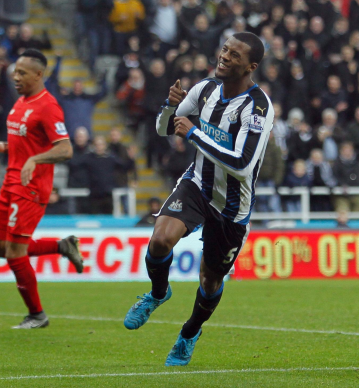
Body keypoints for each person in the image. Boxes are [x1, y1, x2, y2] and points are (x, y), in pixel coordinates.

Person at [123, 33, 271, 366]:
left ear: (251, 66)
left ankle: (189, 333)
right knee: (160, 240)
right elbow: (164, 128)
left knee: (210, 279)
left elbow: (243, 164)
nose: (224, 57)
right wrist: (170, 107)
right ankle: (158, 293)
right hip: (196, 185)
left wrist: (194, 133)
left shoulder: (258, 107)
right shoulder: (204, 89)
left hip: (232, 204)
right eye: (224, 50)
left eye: (234, 55)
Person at [0, 49, 85, 330]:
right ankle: (62, 245)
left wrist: (35, 160)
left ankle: (37, 315)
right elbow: (28, 142)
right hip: (10, 183)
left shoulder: (48, 106)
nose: (15, 76)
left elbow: (65, 148)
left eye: (22, 72)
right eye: (15, 71)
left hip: (31, 188)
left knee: (14, 252)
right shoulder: (21, 102)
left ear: (38, 74)